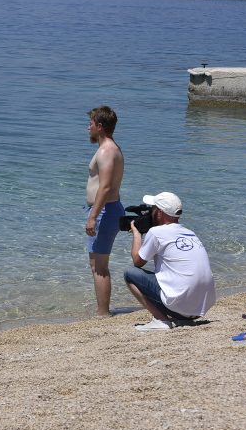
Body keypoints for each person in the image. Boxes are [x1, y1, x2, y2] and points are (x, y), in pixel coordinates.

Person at [124, 192, 216, 331]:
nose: (151, 212)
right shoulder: (190, 232)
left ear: (160, 213)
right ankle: (180, 315)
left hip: (180, 306)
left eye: (153, 209)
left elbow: (137, 262)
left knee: (129, 273)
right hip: (199, 309)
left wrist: (137, 234)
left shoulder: (156, 232)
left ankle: (161, 320)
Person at [85, 106, 125, 317]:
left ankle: (102, 313)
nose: (87, 128)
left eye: (90, 124)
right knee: (98, 264)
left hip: (104, 211)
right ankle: (102, 310)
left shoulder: (106, 151)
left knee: (99, 266)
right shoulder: (110, 148)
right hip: (107, 209)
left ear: (99, 127)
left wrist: (92, 217)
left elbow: (106, 187)